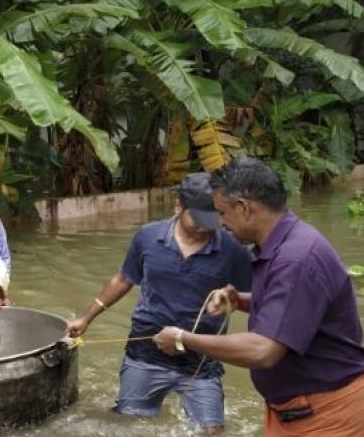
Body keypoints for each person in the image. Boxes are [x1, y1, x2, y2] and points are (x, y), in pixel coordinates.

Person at [154, 157, 364, 436]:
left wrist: (183, 339)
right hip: (293, 411)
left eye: (222, 213)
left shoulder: (295, 258)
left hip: (326, 415)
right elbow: (297, 308)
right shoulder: (285, 244)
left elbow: (263, 350)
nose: (220, 223)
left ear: (244, 207)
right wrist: (239, 301)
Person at [66, 172, 252, 433]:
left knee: (211, 431)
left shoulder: (233, 248)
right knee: (130, 426)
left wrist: (232, 298)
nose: (205, 226)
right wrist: (86, 318)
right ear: (178, 207)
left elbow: (256, 297)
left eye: (214, 218)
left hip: (201, 361)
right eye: (198, 218)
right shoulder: (148, 237)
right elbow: (123, 279)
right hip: (146, 353)